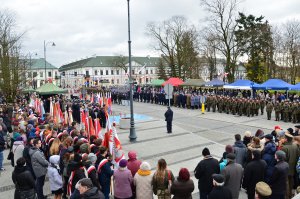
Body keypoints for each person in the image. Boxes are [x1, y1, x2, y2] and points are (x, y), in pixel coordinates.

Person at [281, 132, 299, 199]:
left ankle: (287, 196)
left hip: (286, 168)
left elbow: (283, 160)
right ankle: (290, 195)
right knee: (291, 181)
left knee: (286, 183)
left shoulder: (284, 148)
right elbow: (298, 156)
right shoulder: (295, 146)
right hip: (293, 167)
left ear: (286, 139)